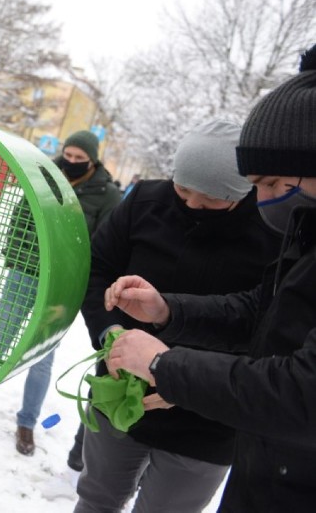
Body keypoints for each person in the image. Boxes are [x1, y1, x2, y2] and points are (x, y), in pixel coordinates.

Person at [103, 45, 316, 511]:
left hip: (226, 438)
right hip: (266, 469)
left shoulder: (275, 231)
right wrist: (166, 310)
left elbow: (302, 392)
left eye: (269, 185)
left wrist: (165, 367)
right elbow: (261, 312)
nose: (261, 199)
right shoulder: (305, 236)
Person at [73, 121, 279, 512]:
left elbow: (263, 327)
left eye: (211, 199)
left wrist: (185, 380)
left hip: (207, 420)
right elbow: (96, 270)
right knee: (96, 500)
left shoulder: (271, 231)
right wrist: (110, 333)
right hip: (120, 392)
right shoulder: (146, 201)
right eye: (183, 189)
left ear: (243, 190)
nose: (191, 204)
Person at [0, 130, 121, 463]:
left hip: (61, 285)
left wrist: (77, 277)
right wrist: (14, 256)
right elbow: (21, 218)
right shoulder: (45, 175)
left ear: (91, 160)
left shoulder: (106, 195)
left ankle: (26, 422)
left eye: (78, 159)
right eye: (66, 155)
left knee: (41, 355)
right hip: (23, 273)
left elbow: (102, 244)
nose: (70, 163)